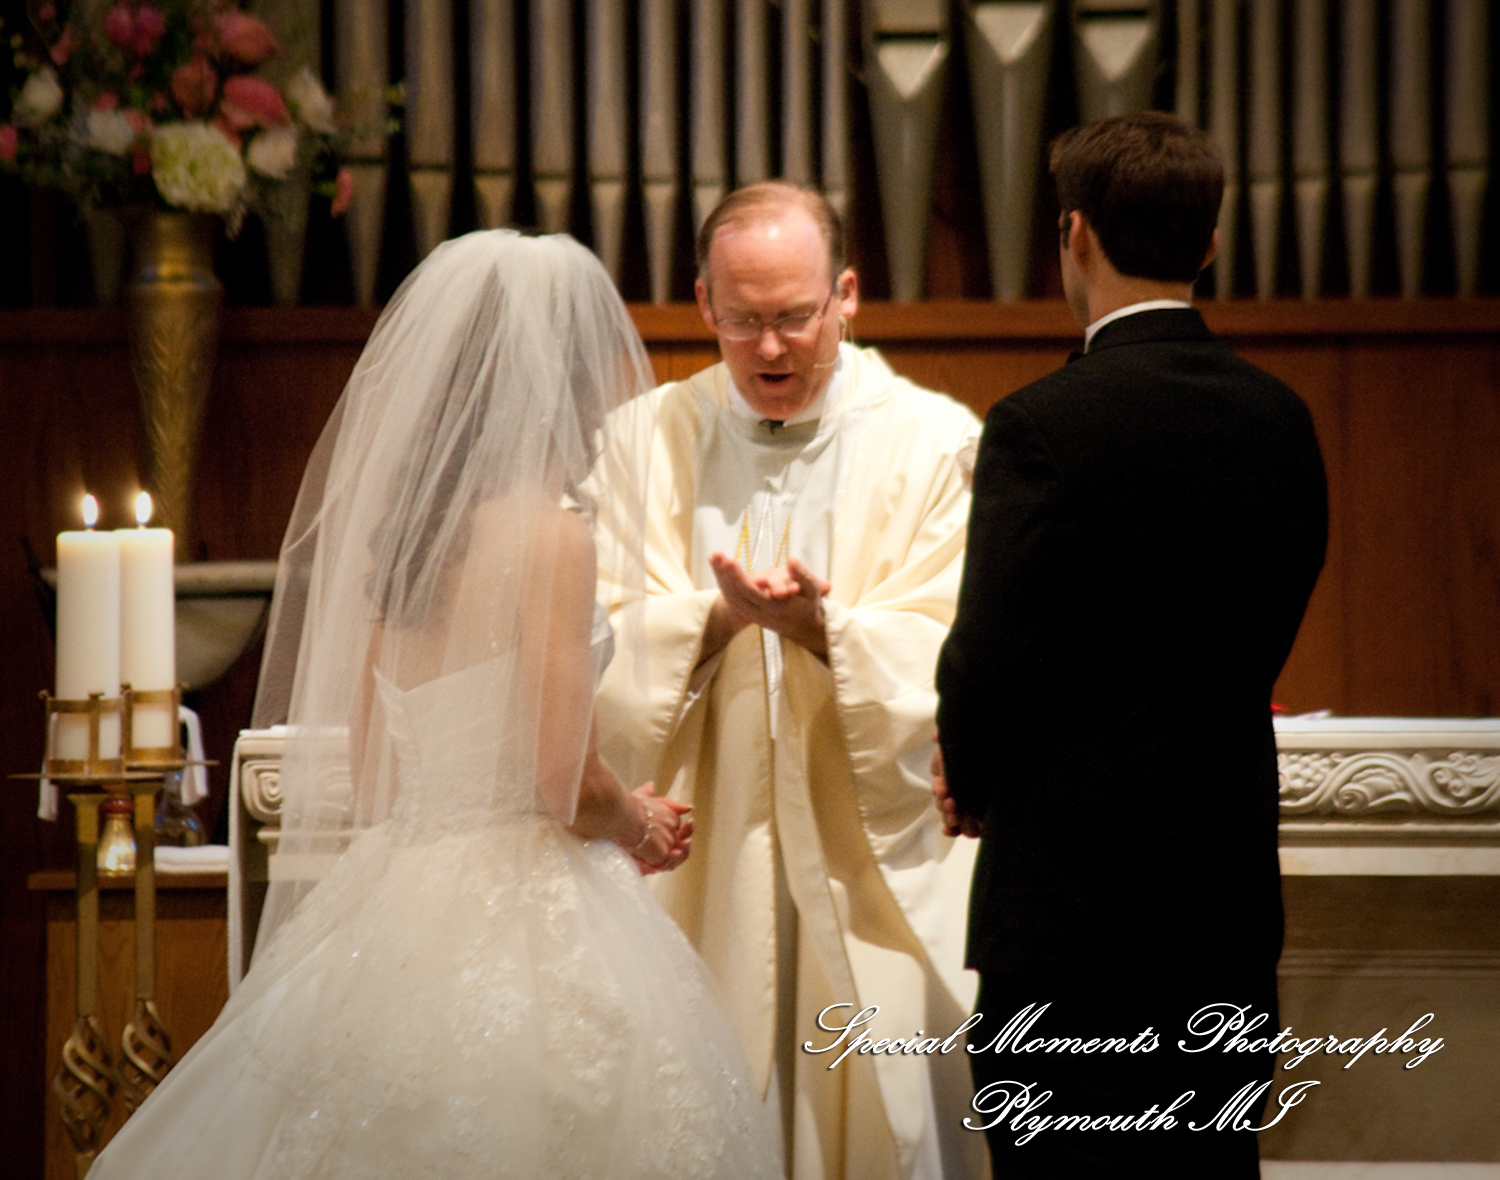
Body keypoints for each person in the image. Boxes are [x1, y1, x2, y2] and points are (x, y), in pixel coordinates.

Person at [91, 231, 780, 1180]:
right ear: (562, 380)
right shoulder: (552, 537)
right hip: (528, 901)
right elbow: (559, 784)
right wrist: (640, 822)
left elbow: (375, 764)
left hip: (399, 883)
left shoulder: (402, 544)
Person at [933, 113, 1328, 1176]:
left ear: (1073, 234)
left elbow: (986, 653)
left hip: (1070, 916)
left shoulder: (1039, 426)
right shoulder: (1282, 419)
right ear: (1207, 244)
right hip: (1223, 903)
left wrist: (968, 776)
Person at [591, 183, 988, 1180]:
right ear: (703, 306)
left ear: (847, 296)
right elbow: (585, 649)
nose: (771, 349)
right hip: (693, 864)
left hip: (865, 868)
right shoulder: (643, 444)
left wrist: (826, 632)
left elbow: (960, 649)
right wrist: (715, 620)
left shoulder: (932, 442)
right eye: (745, 321)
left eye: (795, 318)